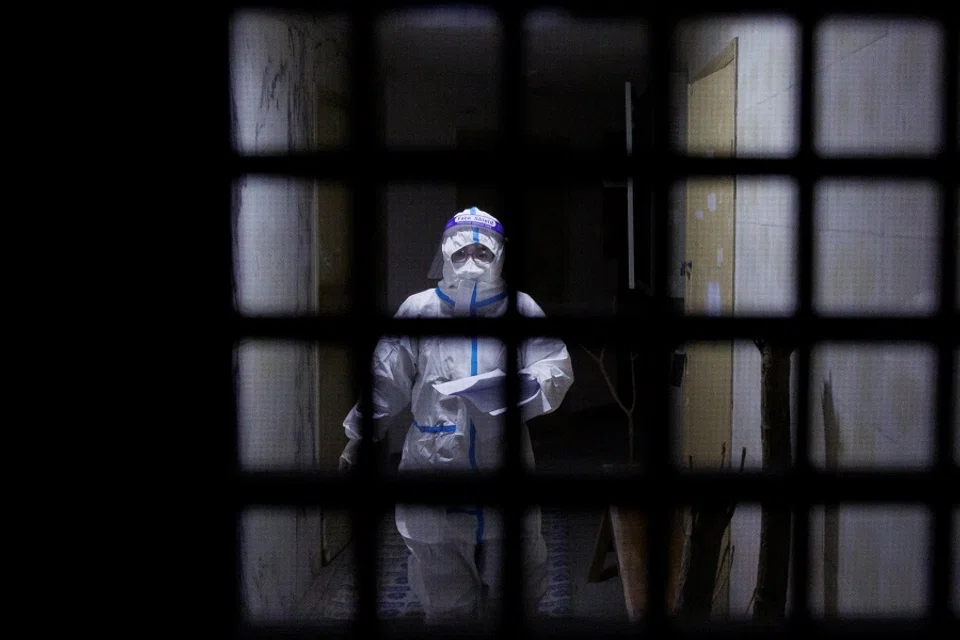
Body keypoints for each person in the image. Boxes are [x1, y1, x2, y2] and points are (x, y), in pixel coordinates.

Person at [339, 207, 575, 623]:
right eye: (461, 251)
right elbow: (385, 380)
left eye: (482, 253)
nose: (471, 261)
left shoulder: (520, 307)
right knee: (445, 600)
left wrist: (523, 385)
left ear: (499, 256)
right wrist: (360, 436)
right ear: (445, 254)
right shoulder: (419, 311)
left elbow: (555, 365)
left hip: (500, 462)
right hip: (433, 469)